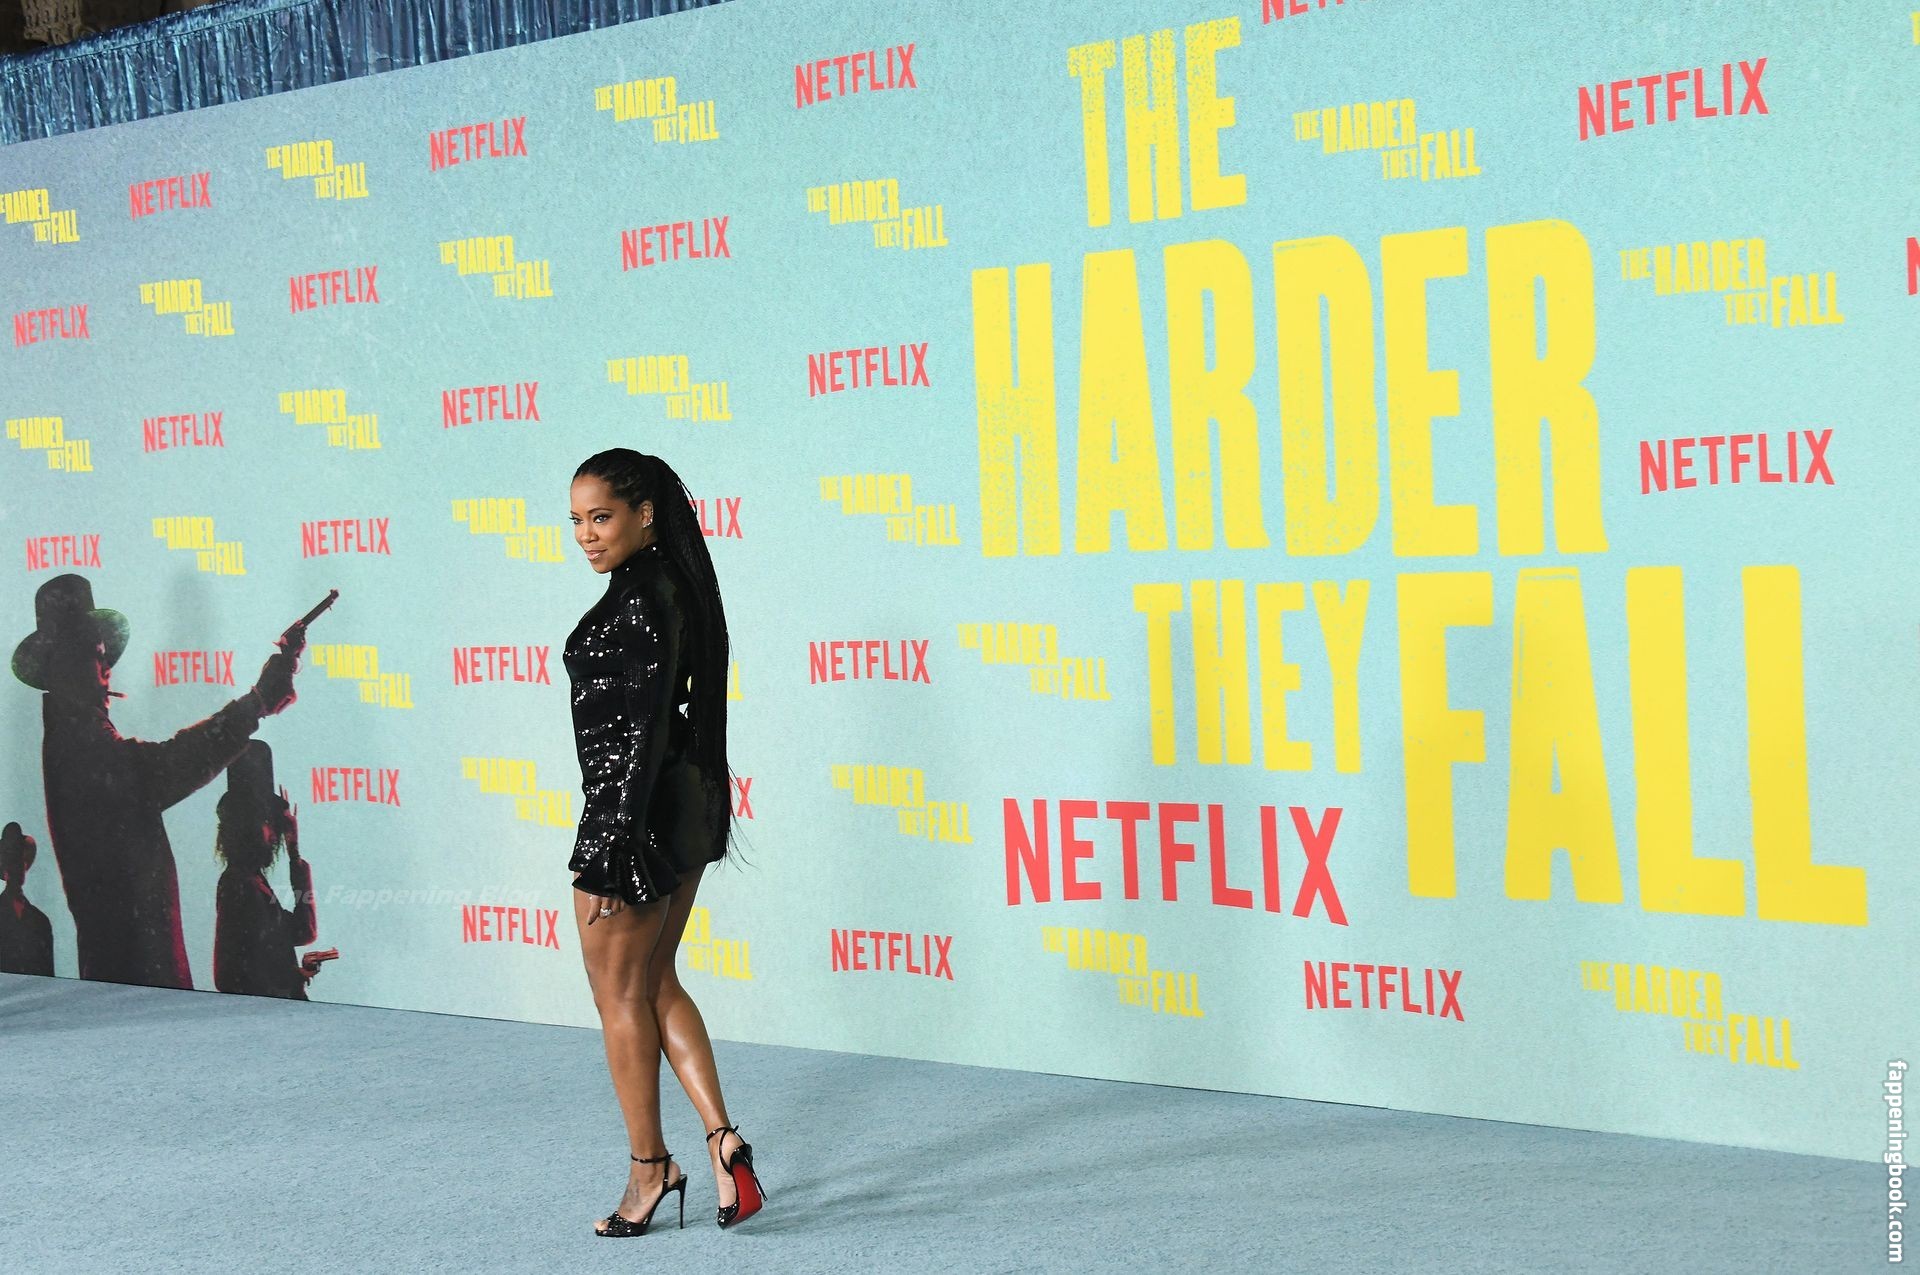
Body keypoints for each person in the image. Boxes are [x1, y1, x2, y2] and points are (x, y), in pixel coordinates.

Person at [564, 448, 764, 1239]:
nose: (587, 533)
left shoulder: (646, 598)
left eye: (601, 516)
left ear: (644, 514)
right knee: (652, 979)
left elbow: (642, 729)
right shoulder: (669, 587)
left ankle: (651, 1170)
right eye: (576, 520)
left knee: (618, 995)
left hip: (634, 813)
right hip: (680, 804)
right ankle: (723, 1139)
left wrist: (617, 843)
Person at [9, 572, 301, 989]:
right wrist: (256, 703)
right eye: (95, 654)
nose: (107, 669)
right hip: (136, 978)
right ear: (61, 664)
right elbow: (162, 768)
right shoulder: (77, 741)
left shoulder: (73, 736)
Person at [213, 740, 325, 999]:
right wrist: (294, 976)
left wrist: (294, 853)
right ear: (247, 827)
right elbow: (231, 975)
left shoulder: (253, 882)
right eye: (267, 822)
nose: (275, 833)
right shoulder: (238, 883)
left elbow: (303, 931)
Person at [0, 821, 54, 976]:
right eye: (13, 862)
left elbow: (49, 978)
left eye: (21, 861)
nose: (19, 868)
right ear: (4, 869)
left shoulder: (41, 921)